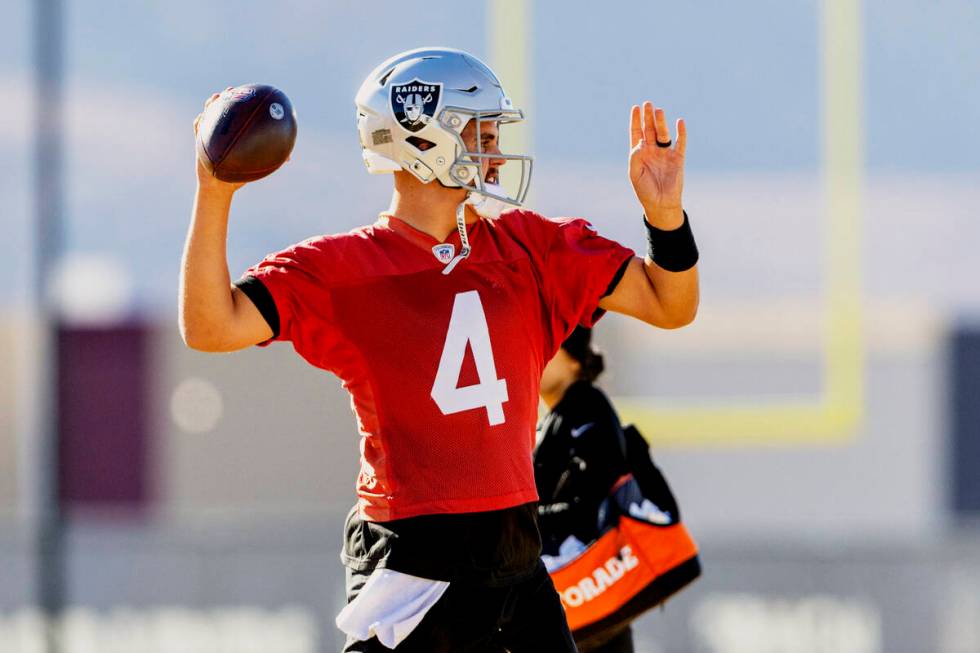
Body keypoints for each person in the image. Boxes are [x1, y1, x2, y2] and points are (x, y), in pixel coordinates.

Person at [179, 47, 699, 652]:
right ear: (424, 140)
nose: (493, 147)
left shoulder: (529, 245)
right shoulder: (344, 268)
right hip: (414, 562)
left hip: (516, 556)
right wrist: (213, 193)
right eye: (476, 130)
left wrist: (666, 219)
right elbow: (211, 326)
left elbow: (670, 304)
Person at [535, 327, 701, 653]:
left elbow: (591, 497)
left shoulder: (584, 403)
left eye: (547, 349)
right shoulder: (556, 417)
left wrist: (525, 520)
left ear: (575, 361)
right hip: (591, 590)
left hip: (595, 575)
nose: (535, 358)